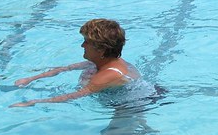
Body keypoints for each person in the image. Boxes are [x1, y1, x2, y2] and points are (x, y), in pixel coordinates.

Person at [12, 19, 142, 107]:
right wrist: (30, 78)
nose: (82, 45)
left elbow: (75, 95)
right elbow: (66, 68)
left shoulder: (107, 75)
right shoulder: (103, 61)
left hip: (131, 106)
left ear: (101, 49)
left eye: (87, 42)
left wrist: (33, 102)